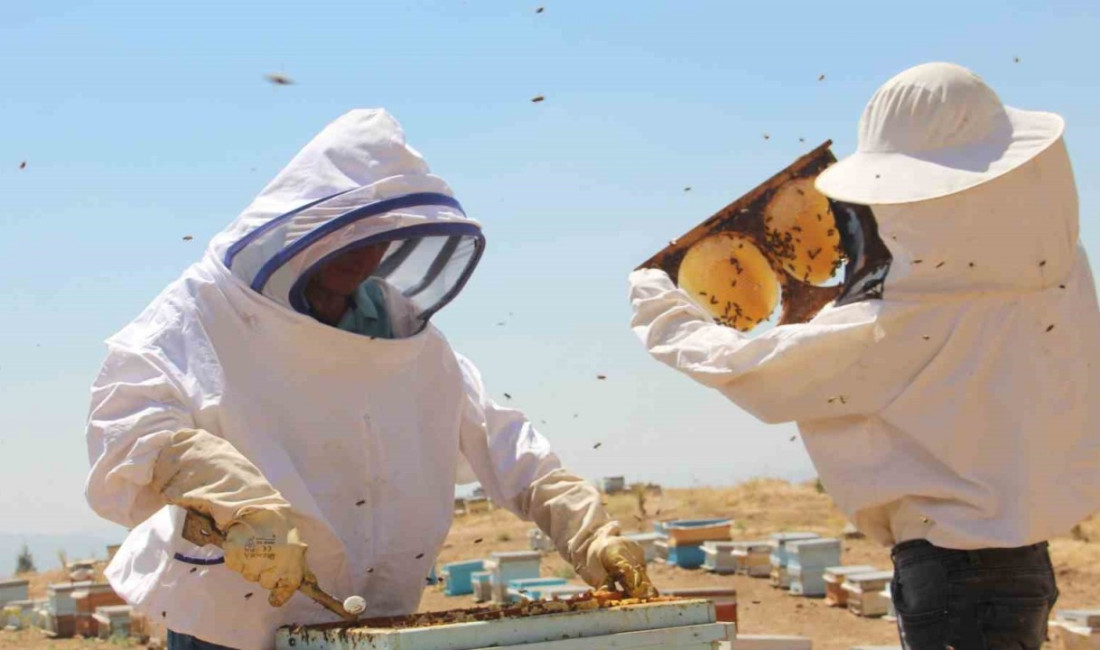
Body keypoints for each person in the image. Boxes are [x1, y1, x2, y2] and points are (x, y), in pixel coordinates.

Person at [86, 108, 654, 650]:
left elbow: (505, 442)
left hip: (375, 615)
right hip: (233, 618)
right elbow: (127, 424)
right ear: (306, 226)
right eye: (352, 234)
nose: (367, 254)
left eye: (383, 236)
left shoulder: (402, 333)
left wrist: (587, 530)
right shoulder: (206, 312)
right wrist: (225, 491)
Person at [628, 62, 1100, 649]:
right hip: (1024, 561)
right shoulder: (1059, 269)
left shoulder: (907, 319)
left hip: (956, 575)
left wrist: (664, 314)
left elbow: (755, 373)